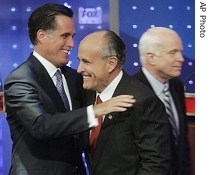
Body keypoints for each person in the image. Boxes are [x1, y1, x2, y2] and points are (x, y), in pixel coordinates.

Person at [4, 3, 135, 175]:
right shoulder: (20, 79)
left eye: (72, 36)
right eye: (65, 36)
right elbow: (41, 125)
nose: (71, 43)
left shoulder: (75, 77)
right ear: (42, 35)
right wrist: (95, 110)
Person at [77, 30, 171, 175]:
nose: (79, 69)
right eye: (80, 60)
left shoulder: (143, 100)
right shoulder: (86, 94)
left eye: (86, 62)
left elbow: (155, 165)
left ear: (111, 63)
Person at [133, 27, 192, 175]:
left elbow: (182, 145)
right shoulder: (132, 92)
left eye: (180, 51)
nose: (181, 58)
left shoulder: (176, 85)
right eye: (173, 52)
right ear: (151, 57)